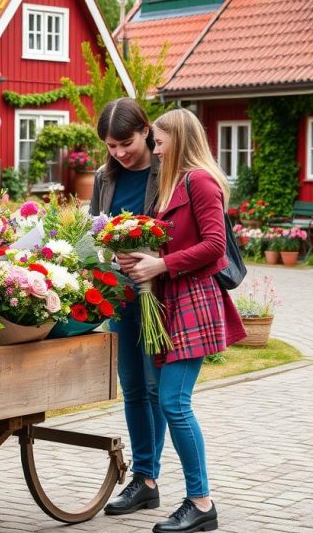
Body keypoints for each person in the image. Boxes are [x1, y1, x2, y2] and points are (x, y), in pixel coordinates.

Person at [120, 108, 246, 533]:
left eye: (158, 141)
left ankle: (201, 502)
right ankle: (192, 497)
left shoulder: (201, 181)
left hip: (192, 299)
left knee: (174, 402)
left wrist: (162, 266)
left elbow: (215, 247)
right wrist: (138, 257)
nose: (153, 149)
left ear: (179, 139)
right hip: (170, 300)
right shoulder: (174, 184)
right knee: (167, 398)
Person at [89, 98, 166, 516]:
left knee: (158, 388)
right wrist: (107, 256)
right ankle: (144, 479)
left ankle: (148, 476)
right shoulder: (106, 177)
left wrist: (151, 254)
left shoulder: (167, 170)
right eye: (111, 145)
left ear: (146, 130)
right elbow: (95, 231)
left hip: (161, 295)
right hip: (122, 296)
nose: (119, 152)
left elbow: (181, 229)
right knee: (133, 387)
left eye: (126, 142)